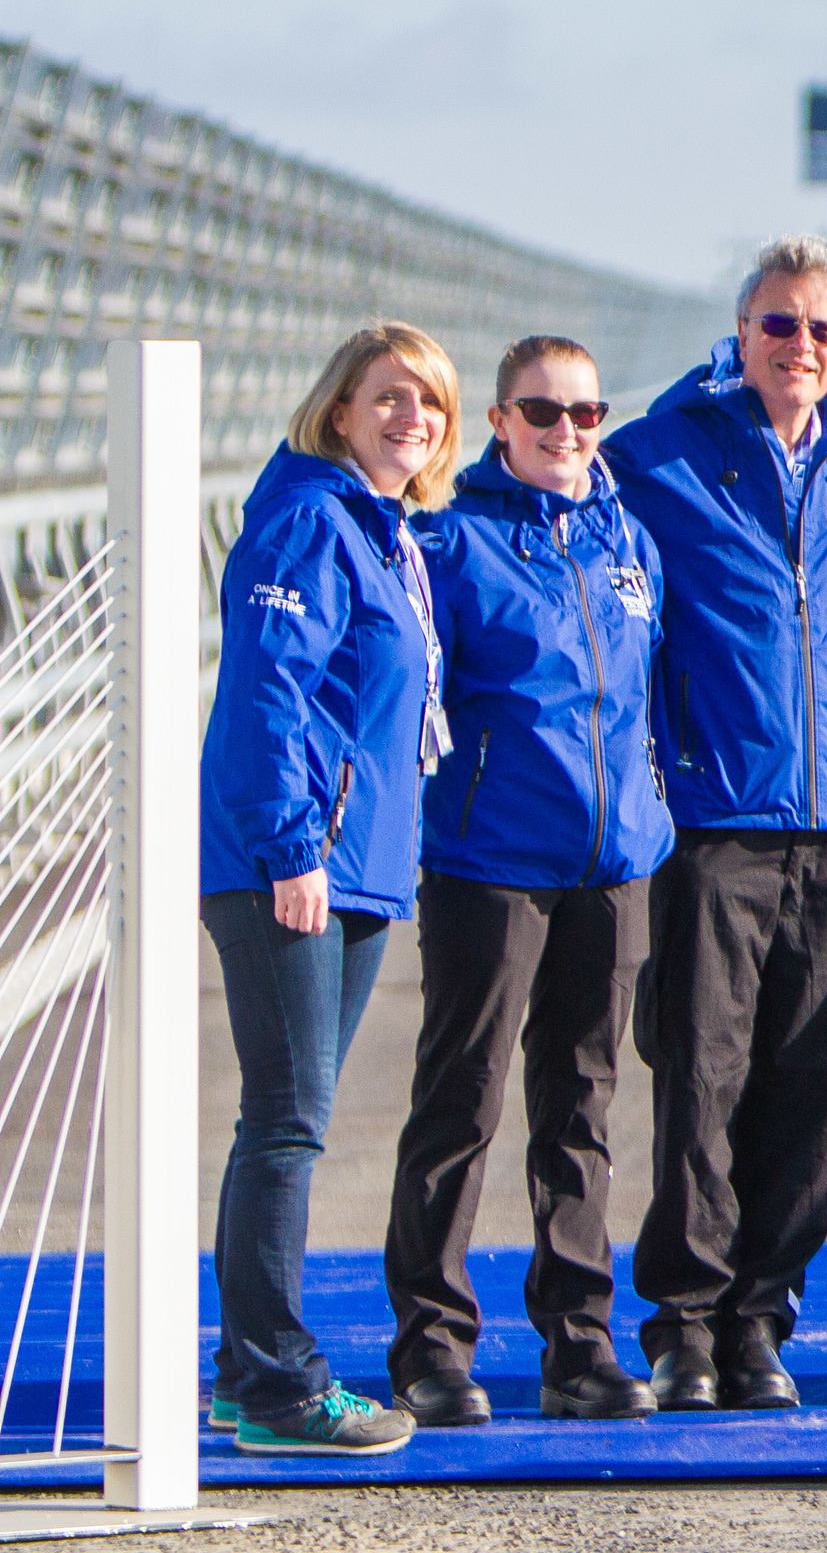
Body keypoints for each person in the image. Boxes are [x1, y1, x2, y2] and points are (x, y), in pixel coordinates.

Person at [604, 235, 827, 1411]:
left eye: (823, 330)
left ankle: (762, 1318)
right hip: (716, 821)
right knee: (700, 1077)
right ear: (741, 330)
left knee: (810, 1082)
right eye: (779, 324)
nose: (801, 347)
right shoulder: (656, 458)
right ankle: (682, 1324)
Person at [382, 336, 672, 1426]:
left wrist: (649, 812)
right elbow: (413, 703)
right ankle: (432, 1346)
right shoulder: (451, 543)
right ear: (498, 422)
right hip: (490, 864)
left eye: (587, 414)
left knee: (583, 1109)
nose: (567, 434)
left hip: (611, 866)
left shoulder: (627, 539)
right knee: (461, 1102)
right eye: (542, 414)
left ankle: (580, 1345)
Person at [204, 323, 462, 1458]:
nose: (413, 418)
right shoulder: (314, 519)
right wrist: (292, 848)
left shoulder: (385, 531)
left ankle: (242, 1376)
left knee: (289, 1120)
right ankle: (273, 1386)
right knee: (286, 1125)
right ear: (341, 408)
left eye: (432, 404)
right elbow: (269, 696)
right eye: (390, 397)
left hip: (351, 863)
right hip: (297, 861)